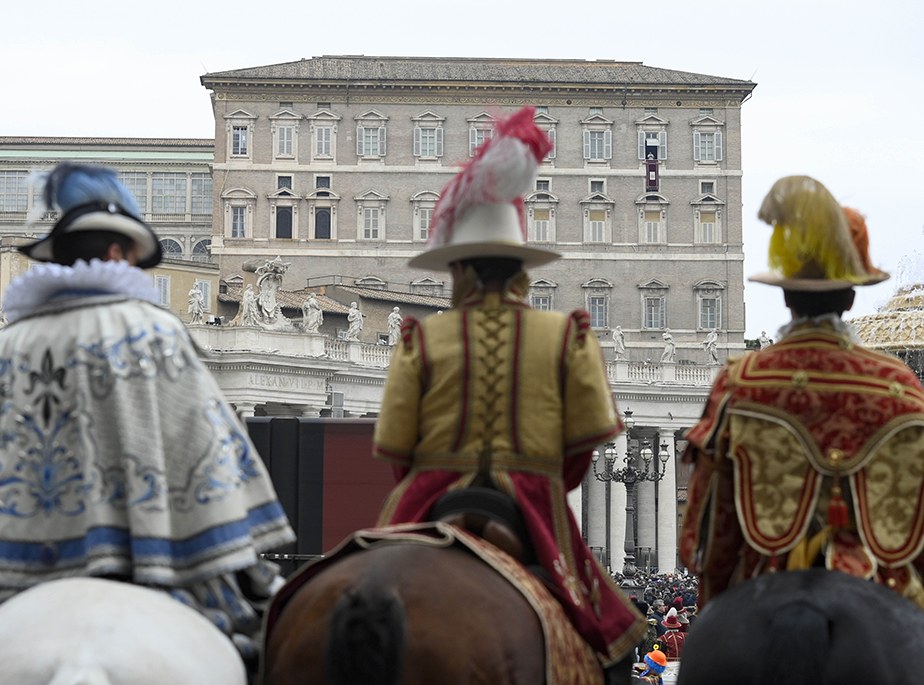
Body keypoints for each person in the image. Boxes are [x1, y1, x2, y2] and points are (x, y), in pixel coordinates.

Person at [0, 163, 295, 682]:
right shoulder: (154, 335)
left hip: (19, 573)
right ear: (120, 253)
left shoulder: (0, 349)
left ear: (61, 257)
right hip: (143, 562)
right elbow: (207, 450)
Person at [373, 107, 645, 671]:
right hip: (531, 501)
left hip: (428, 500)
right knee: (611, 637)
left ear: (458, 269)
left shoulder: (420, 339)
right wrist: (542, 472)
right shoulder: (567, 336)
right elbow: (581, 451)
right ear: (522, 267)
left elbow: (397, 450)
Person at [680, 175, 924, 610]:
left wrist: (713, 592)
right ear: (851, 298)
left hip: (764, 577)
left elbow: (708, 525)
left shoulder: (743, 379)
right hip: (882, 587)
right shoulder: (900, 383)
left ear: (786, 296)